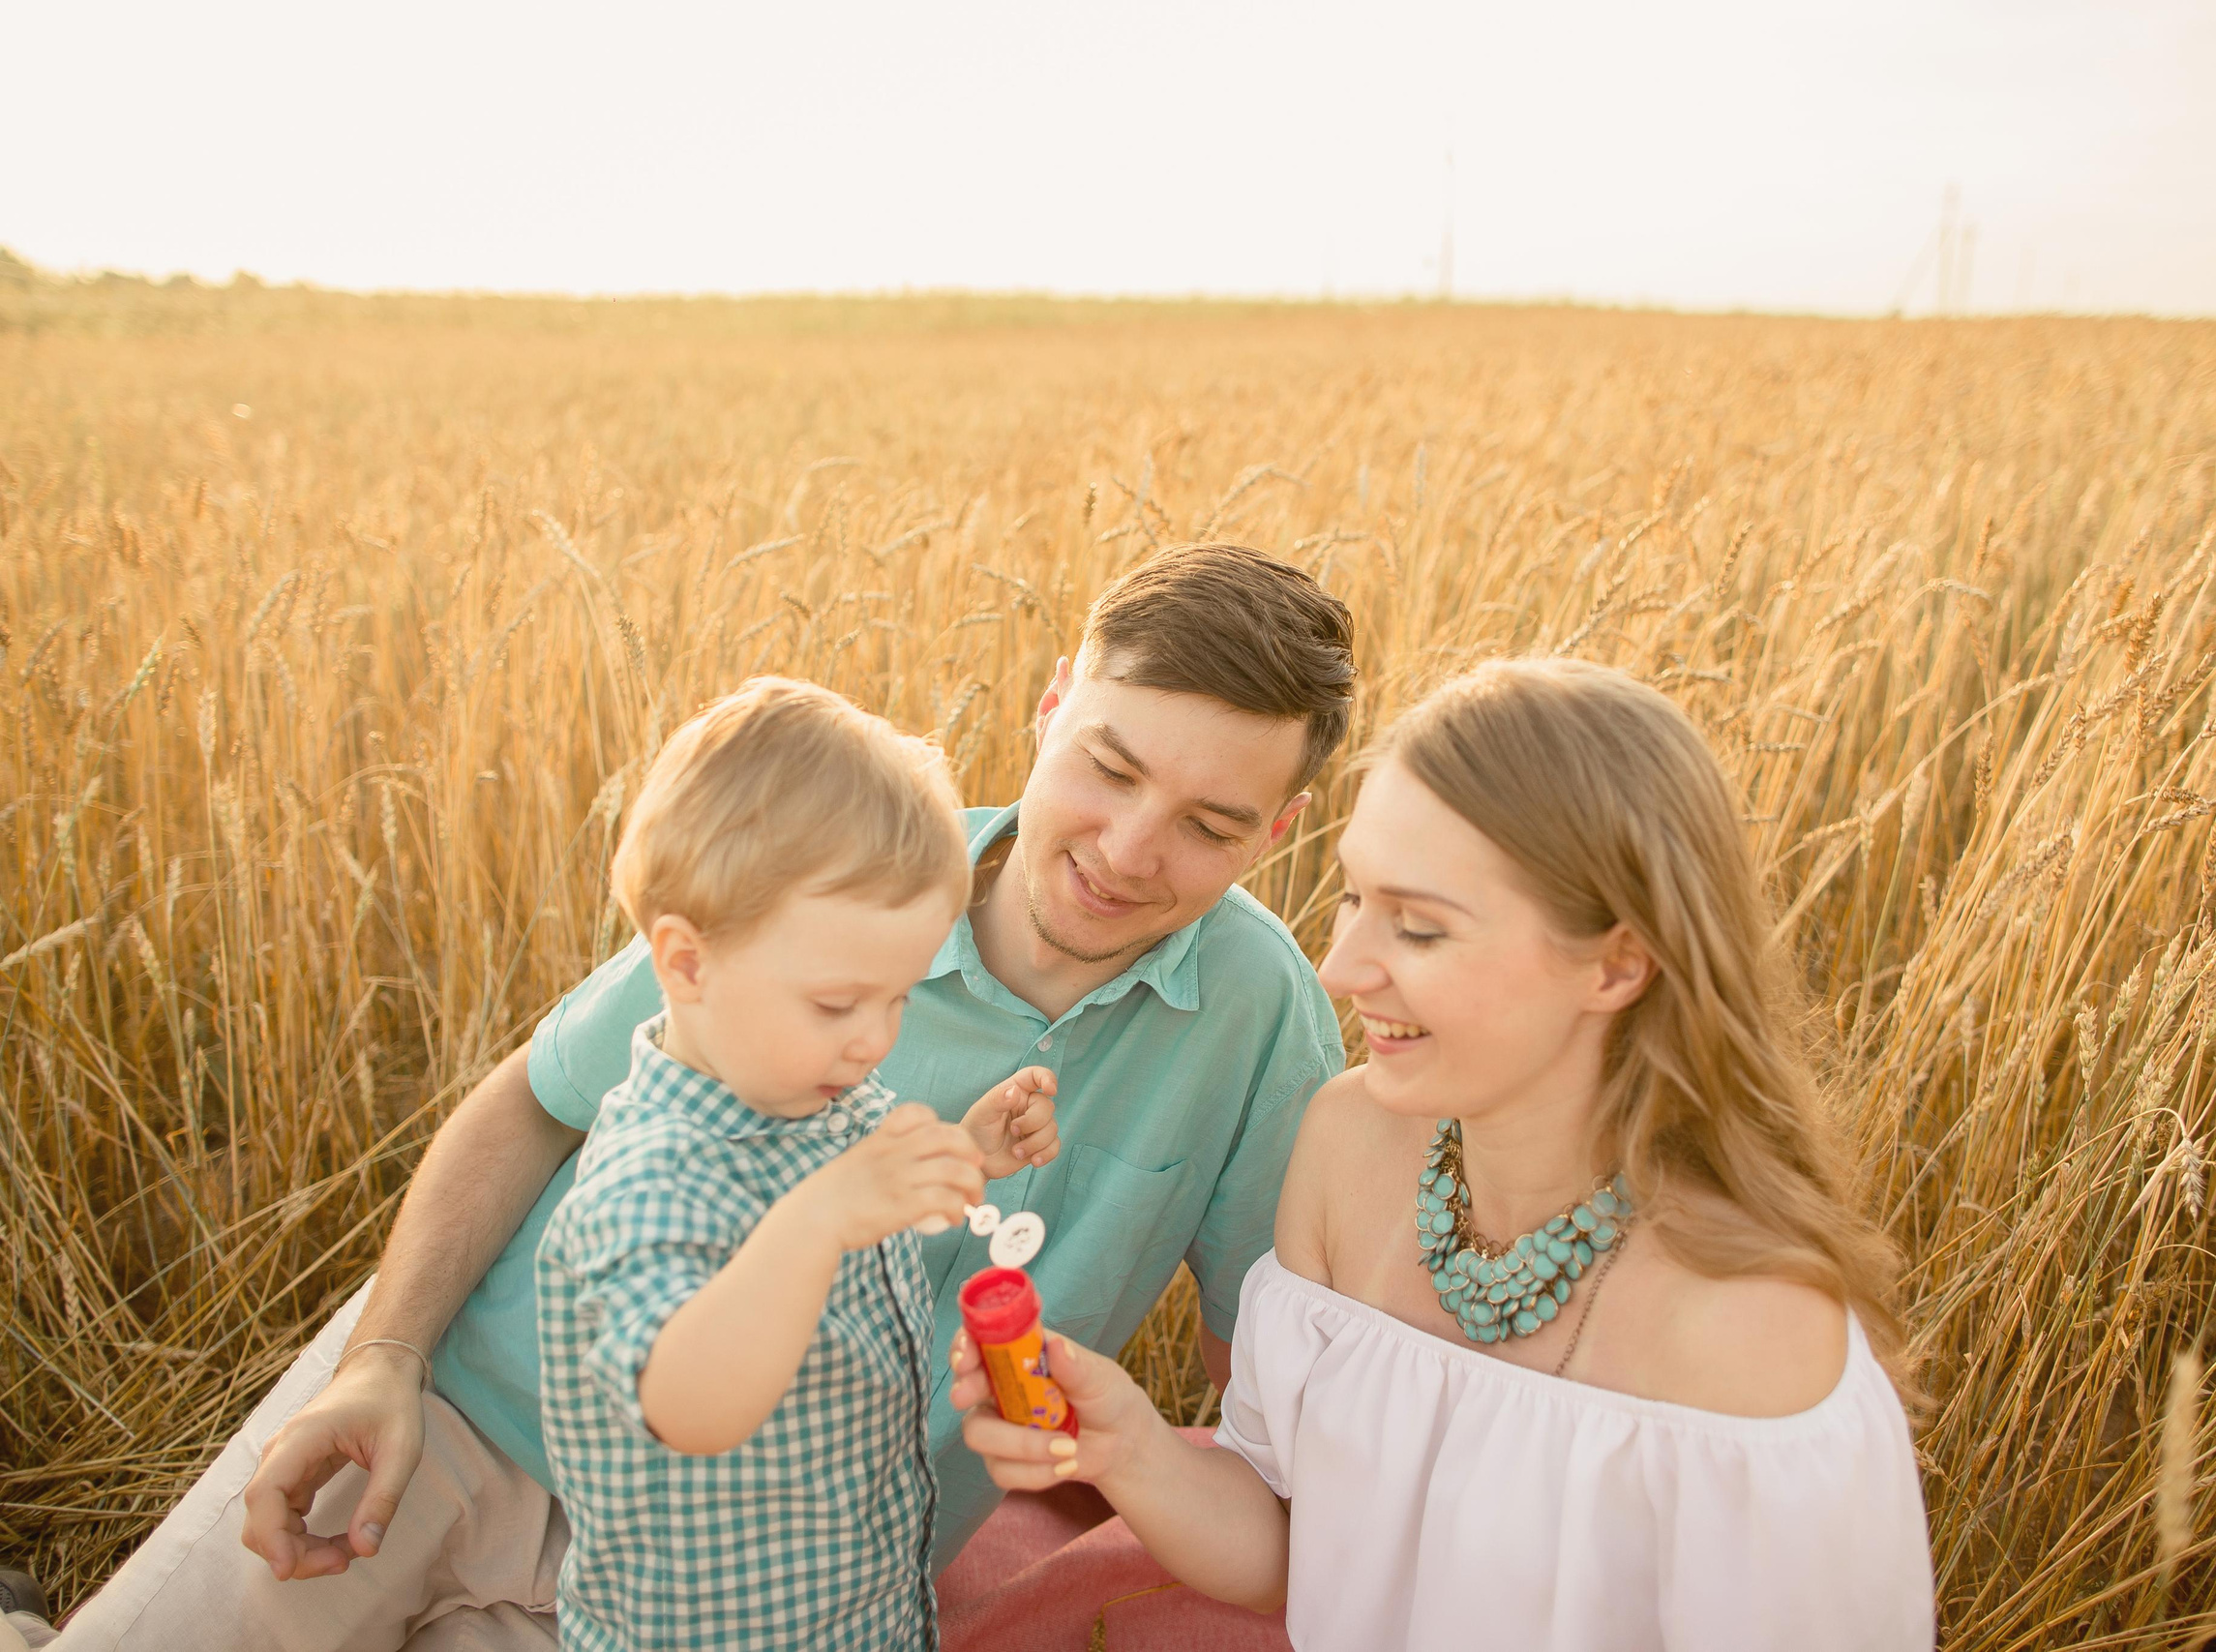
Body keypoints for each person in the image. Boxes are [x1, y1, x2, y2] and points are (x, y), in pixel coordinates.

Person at [59, 542, 1354, 1651]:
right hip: (463, 1408)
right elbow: (532, 1103)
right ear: (1052, 701)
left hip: (735, 1581)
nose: (1129, 852)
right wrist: (383, 1364)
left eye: (1209, 822)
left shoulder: (1262, 1013)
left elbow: (1265, 1375)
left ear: (1281, 828)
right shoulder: (847, 857)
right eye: (1110, 768)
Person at [955, 657, 1938, 1651]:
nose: (1339, 969)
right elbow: (1295, 1554)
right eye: (1352, 902)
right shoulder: (1345, 1146)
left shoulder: (1755, 1333)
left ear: (1616, 963)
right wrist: (1128, 1446)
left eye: (1419, 929)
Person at [537, 677, 1059, 1650]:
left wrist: (967, 1151)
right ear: (687, 964)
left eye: (898, 999)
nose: (873, 1041)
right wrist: (818, 1220)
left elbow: (859, 1212)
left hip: (855, 1609)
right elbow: (688, 1405)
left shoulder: (815, 1094)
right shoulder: (648, 1180)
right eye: (836, 1005)